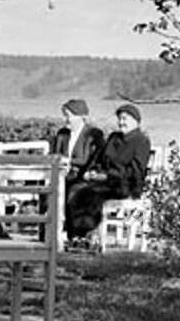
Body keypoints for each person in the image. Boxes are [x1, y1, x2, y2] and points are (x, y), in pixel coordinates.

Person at [65, 103, 152, 242]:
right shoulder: (114, 137)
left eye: (125, 119)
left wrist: (107, 176)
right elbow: (99, 158)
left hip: (125, 184)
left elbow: (135, 171)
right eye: (120, 119)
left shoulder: (141, 141)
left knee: (89, 194)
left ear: (136, 121)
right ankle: (74, 235)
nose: (121, 122)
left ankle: (86, 234)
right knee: (74, 188)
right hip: (104, 180)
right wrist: (91, 171)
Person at [53, 99, 105, 185]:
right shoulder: (62, 133)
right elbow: (55, 155)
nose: (64, 119)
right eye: (64, 115)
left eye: (68, 116)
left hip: (81, 178)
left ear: (80, 117)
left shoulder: (92, 134)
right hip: (60, 175)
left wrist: (66, 161)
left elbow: (84, 160)